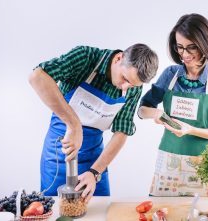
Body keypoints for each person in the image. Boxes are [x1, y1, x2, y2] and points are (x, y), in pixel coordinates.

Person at [29, 44, 158, 201]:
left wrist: (95, 172)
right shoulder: (86, 57)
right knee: (56, 211)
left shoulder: (132, 87)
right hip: (58, 156)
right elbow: (37, 77)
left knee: (99, 211)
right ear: (119, 58)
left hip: (94, 160)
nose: (126, 86)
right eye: (125, 78)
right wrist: (74, 125)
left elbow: (122, 131)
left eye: (132, 84)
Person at [138, 14, 208, 196]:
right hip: (168, 160)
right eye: (180, 47)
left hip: (202, 163)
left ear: (205, 44)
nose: (185, 54)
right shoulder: (170, 75)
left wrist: (190, 130)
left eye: (191, 48)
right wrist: (155, 114)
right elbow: (142, 110)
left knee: (199, 213)